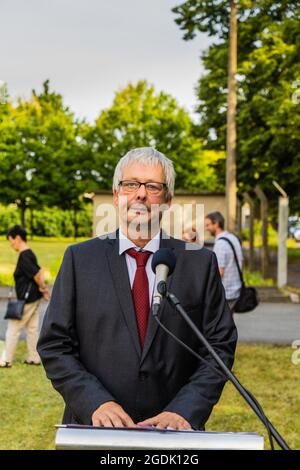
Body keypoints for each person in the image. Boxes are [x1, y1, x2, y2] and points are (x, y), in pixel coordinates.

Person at [37, 147, 237, 431]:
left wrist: (184, 410)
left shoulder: (200, 262)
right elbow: (54, 345)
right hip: (94, 429)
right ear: (117, 195)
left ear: (167, 201)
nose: (140, 194)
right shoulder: (79, 259)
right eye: (131, 184)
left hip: (174, 434)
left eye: (153, 186)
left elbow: (219, 346)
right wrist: (95, 402)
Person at [0, 225, 50, 368]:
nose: (11, 244)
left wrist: (42, 288)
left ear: (18, 238)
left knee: (13, 327)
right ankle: (34, 358)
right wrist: (44, 291)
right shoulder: (30, 253)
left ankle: (6, 360)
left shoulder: (24, 255)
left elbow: (37, 274)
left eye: (11, 240)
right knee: (32, 328)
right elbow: (39, 271)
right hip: (34, 298)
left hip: (28, 299)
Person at [205, 212, 243, 313]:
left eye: (208, 225)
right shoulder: (233, 238)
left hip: (226, 292)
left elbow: (219, 272)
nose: (206, 228)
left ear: (216, 224)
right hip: (236, 289)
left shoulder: (220, 244)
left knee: (222, 327)